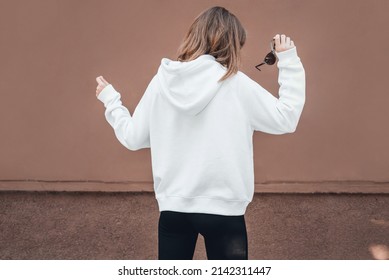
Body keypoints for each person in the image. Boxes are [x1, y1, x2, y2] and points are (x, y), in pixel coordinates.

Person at [95, 6, 305, 260]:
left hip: (173, 210)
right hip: (224, 213)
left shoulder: (162, 83)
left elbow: (133, 138)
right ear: (232, 45)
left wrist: (111, 101)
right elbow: (286, 118)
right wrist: (289, 59)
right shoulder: (235, 84)